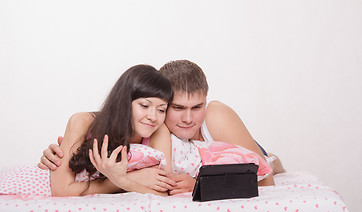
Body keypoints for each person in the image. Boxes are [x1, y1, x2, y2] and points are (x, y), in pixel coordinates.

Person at [39, 60, 277, 195]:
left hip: (241, 153)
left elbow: (264, 178)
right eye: (176, 108)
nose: (187, 119)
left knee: (273, 164)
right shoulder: (154, 124)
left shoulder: (213, 115)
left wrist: (200, 185)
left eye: (196, 107)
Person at [48, 64, 175, 197]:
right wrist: (119, 180)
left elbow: (164, 192)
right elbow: (60, 190)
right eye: (144, 105)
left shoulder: (159, 130)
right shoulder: (82, 121)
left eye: (161, 110)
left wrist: (124, 181)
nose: (153, 117)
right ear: (124, 102)